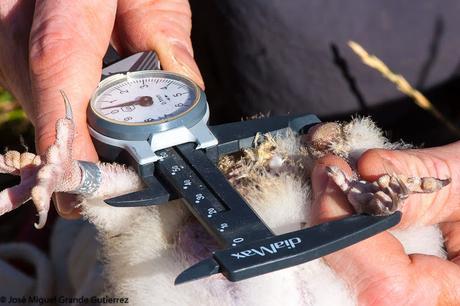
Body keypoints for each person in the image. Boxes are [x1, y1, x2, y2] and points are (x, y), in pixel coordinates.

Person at [0, 0, 459, 305]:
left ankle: (67, 178)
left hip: (188, 239)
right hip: (314, 158)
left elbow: (128, 213)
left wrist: (74, 176)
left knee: (120, 216)